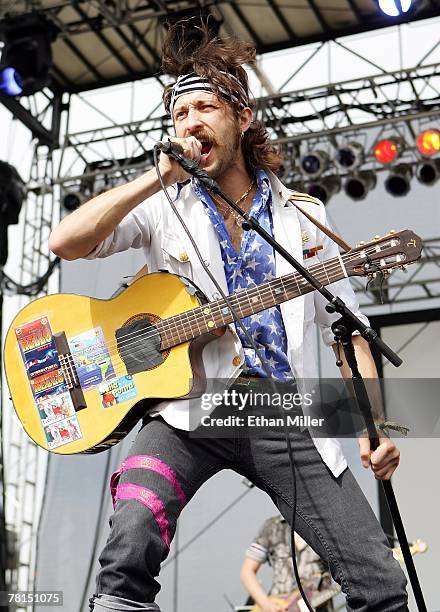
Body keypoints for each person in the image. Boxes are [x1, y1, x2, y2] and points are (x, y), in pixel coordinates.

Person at [49, 23, 407, 612]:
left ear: (241, 118)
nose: (190, 122)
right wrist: (155, 178)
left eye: (205, 107)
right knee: (130, 538)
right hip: (187, 411)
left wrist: (377, 429)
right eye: (178, 112)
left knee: (382, 586)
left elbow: (346, 335)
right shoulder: (161, 208)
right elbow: (65, 240)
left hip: (281, 412)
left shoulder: (301, 219)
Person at [240, 515, 337, 612]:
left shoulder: (321, 522)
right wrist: (267, 605)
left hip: (319, 605)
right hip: (280, 605)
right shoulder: (272, 527)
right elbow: (247, 572)